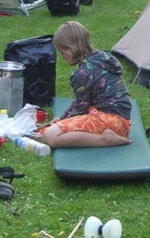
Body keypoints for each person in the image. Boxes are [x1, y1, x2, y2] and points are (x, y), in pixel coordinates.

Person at [35, 21, 132, 149]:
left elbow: (80, 109)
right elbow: (79, 104)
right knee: (54, 129)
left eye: (63, 52)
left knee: (50, 136)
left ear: (71, 48)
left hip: (108, 121)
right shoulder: (103, 57)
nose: (63, 57)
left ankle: (106, 139)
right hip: (122, 120)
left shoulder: (84, 73)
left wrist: (60, 124)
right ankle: (107, 136)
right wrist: (61, 118)